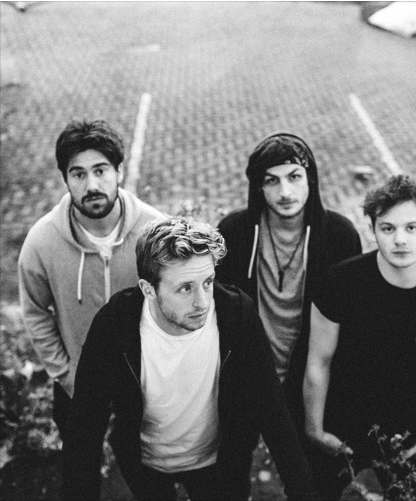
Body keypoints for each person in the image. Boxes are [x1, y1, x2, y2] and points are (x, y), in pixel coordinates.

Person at [62, 217, 317, 501]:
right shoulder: (116, 325)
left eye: (207, 282)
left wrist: (303, 492)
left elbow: (272, 408)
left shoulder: (236, 316)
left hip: (221, 463)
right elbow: (86, 422)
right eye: (185, 288)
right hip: (145, 464)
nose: (203, 302)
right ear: (148, 290)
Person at [303, 175, 416, 500]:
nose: (400, 240)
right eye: (387, 228)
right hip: (342, 424)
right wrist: (315, 429)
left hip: (410, 433)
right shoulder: (339, 283)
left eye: (411, 228)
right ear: (372, 230)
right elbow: (319, 360)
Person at [18, 119, 164, 440]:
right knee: (79, 466)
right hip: (78, 384)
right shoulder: (42, 242)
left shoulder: (155, 232)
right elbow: (35, 312)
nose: (92, 185)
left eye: (100, 170)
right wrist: (65, 374)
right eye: (79, 174)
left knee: (141, 465)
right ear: (65, 179)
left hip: (143, 383)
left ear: (119, 172)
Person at [217, 131, 362, 429]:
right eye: (272, 180)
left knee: (302, 456)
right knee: (233, 454)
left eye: (294, 177)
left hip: (308, 378)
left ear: (310, 179)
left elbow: (351, 321)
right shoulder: (234, 232)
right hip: (249, 376)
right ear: (258, 186)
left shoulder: (339, 237)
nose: (285, 192)